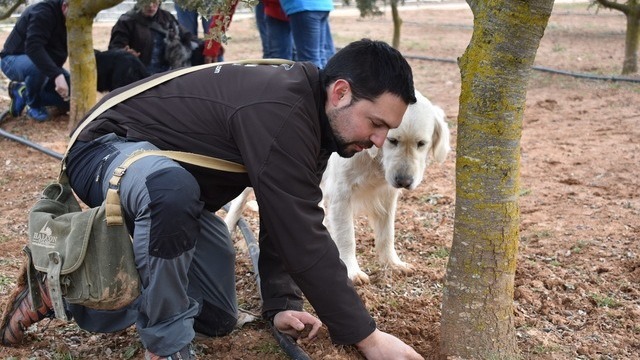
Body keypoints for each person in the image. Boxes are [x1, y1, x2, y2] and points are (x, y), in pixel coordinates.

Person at [0, 39, 423, 360]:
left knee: (216, 316)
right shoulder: (281, 108)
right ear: (341, 92)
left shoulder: (316, 125)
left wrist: (281, 305)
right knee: (170, 191)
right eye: (376, 124)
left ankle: (59, 292)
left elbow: (289, 217)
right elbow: (304, 238)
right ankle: (166, 346)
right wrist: (367, 336)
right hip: (106, 148)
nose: (378, 142)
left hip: (170, 186)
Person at [0, 0, 70, 122]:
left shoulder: (74, 22)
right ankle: (33, 104)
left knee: (70, 99)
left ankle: (23, 92)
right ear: (65, 6)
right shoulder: (43, 12)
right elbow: (33, 48)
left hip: (43, 67)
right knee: (37, 67)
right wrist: (57, 75)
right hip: (13, 60)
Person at [108, 0, 195, 74]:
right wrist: (125, 53)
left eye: (154, 1)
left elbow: (187, 36)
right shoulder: (126, 21)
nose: (150, 6)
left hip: (166, 75)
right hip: (139, 76)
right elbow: (115, 49)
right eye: (146, 1)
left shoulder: (167, 17)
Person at [280, 0, 335, 67]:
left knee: (309, 61)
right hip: (322, 5)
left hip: (303, 6)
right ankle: (322, 76)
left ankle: (315, 77)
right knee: (320, 55)